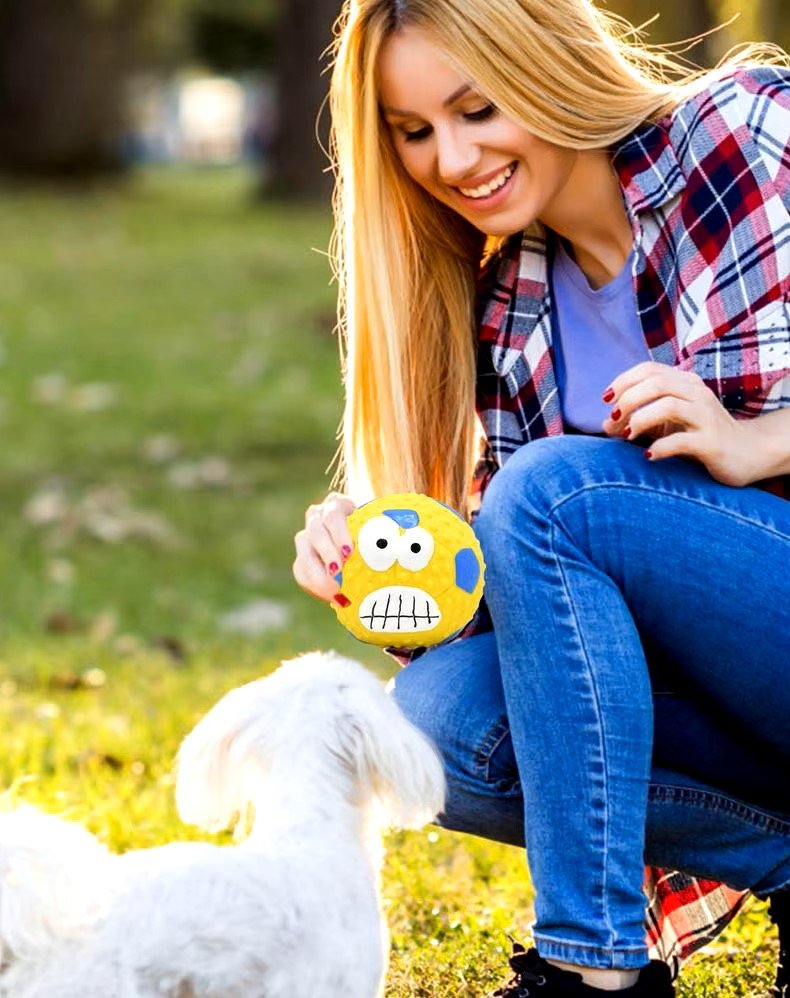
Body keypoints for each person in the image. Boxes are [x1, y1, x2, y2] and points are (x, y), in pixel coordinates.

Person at [291, 1, 790, 995]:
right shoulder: (510, 309)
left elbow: (553, 506)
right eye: (414, 131)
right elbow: (543, 616)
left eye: (476, 108)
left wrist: (756, 438)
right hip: (736, 696)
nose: (451, 158)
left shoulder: (741, 129)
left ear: (542, 62)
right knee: (439, 722)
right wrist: (386, 568)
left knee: (554, 490)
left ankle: (586, 968)